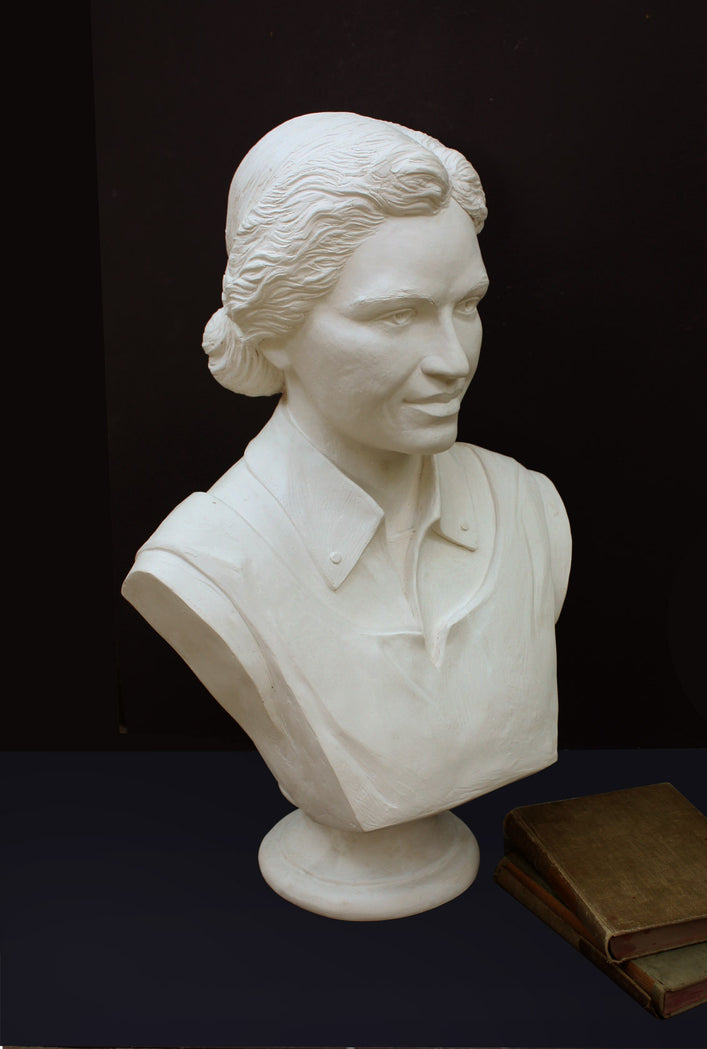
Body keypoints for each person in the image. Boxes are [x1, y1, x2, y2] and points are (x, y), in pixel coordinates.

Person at [123, 112, 571, 840]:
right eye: (397, 316)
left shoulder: (527, 507)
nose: (454, 359)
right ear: (275, 325)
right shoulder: (208, 563)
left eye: (468, 306)